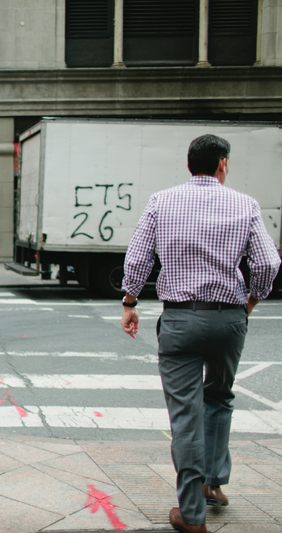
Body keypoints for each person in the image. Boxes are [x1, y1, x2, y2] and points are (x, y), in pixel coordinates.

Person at [121, 134, 280, 533]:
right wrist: (250, 302)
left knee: (185, 416)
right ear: (222, 163)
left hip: (179, 320)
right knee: (221, 396)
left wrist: (130, 301)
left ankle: (191, 514)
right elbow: (267, 263)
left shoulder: (162, 201)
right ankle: (214, 483)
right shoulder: (246, 204)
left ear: (189, 164)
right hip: (229, 318)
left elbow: (139, 256)